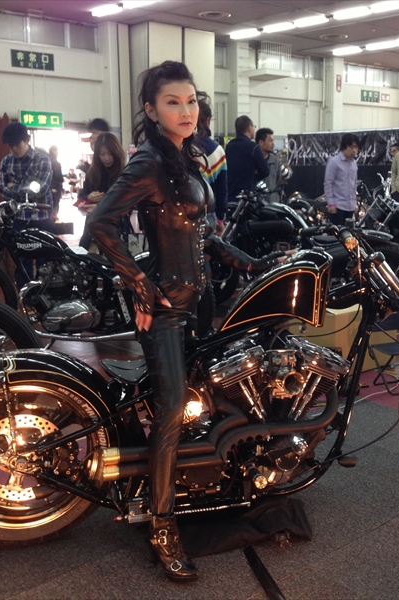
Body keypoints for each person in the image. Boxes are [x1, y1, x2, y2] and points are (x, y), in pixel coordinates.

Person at [86, 61, 283, 583]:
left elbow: (203, 235)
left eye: (191, 100)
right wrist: (139, 283)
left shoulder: (186, 156)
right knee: (172, 409)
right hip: (166, 307)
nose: (186, 110)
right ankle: (162, 524)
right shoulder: (150, 161)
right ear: (151, 109)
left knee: (207, 393)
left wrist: (254, 263)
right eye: (173, 102)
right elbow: (100, 223)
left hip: (197, 300)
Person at [0, 121, 53, 286]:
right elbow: (1, 188)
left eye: (17, 144)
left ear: (27, 140)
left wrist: (14, 187)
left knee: (46, 260)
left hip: (42, 216)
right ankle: (25, 296)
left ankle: (44, 294)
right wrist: (27, 189)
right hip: (20, 217)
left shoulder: (43, 160)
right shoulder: (6, 162)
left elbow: (41, 190)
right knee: (22, 261)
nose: (14, 148)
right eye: (10, 145)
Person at [76, 132, 126, 248]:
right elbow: (82, 195)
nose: (106, 158)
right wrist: (89, 197)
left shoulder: (124, 173)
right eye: (102, 154)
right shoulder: (92, 172)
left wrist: (100, 209)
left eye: (110, 154)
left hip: (116, 228)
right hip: (93, 227)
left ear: (117, 153)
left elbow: (126, 202)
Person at [196, 97, 227, 231]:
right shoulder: (217, 150)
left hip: (180, 215)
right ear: (207, 120)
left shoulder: (179, 146)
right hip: (208, 213)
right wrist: (220, 218)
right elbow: (221, 189)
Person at [225, 115, 270, 200]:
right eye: (253, 127)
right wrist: (254, 176)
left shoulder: (229, 146)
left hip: (230, 194)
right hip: (247, 197)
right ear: (249, 128)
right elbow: (265, 171)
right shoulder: (254, 147)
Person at [323, 133, 359, 225]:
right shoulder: (334, 162)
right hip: (338, 206)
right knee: (338, 232)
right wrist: (331, 203)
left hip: (350, 206)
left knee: (349, 232)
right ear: (344, 146)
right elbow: (328, 183)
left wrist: (355, 203)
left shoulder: (354, 163)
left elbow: (354, 184)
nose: (354, 150)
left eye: (356, 147)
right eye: (351, 147)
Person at [256, 127, 289, 204]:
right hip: (257, 203)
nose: (273, 144)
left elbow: (279, 180)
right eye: (270, 140)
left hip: (273, 203)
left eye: (273, 140)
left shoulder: (275, 161)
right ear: (261, 142)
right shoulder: (254, 160)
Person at [49, 145, 64, 219]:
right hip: (55, 186)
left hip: (48, 187)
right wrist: (62, 179)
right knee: (55, 206)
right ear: (53, 151)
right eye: (57, 151)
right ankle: (53, 221)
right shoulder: (55, 162)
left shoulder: (46, 160)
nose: (58, 153)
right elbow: (58, 176)